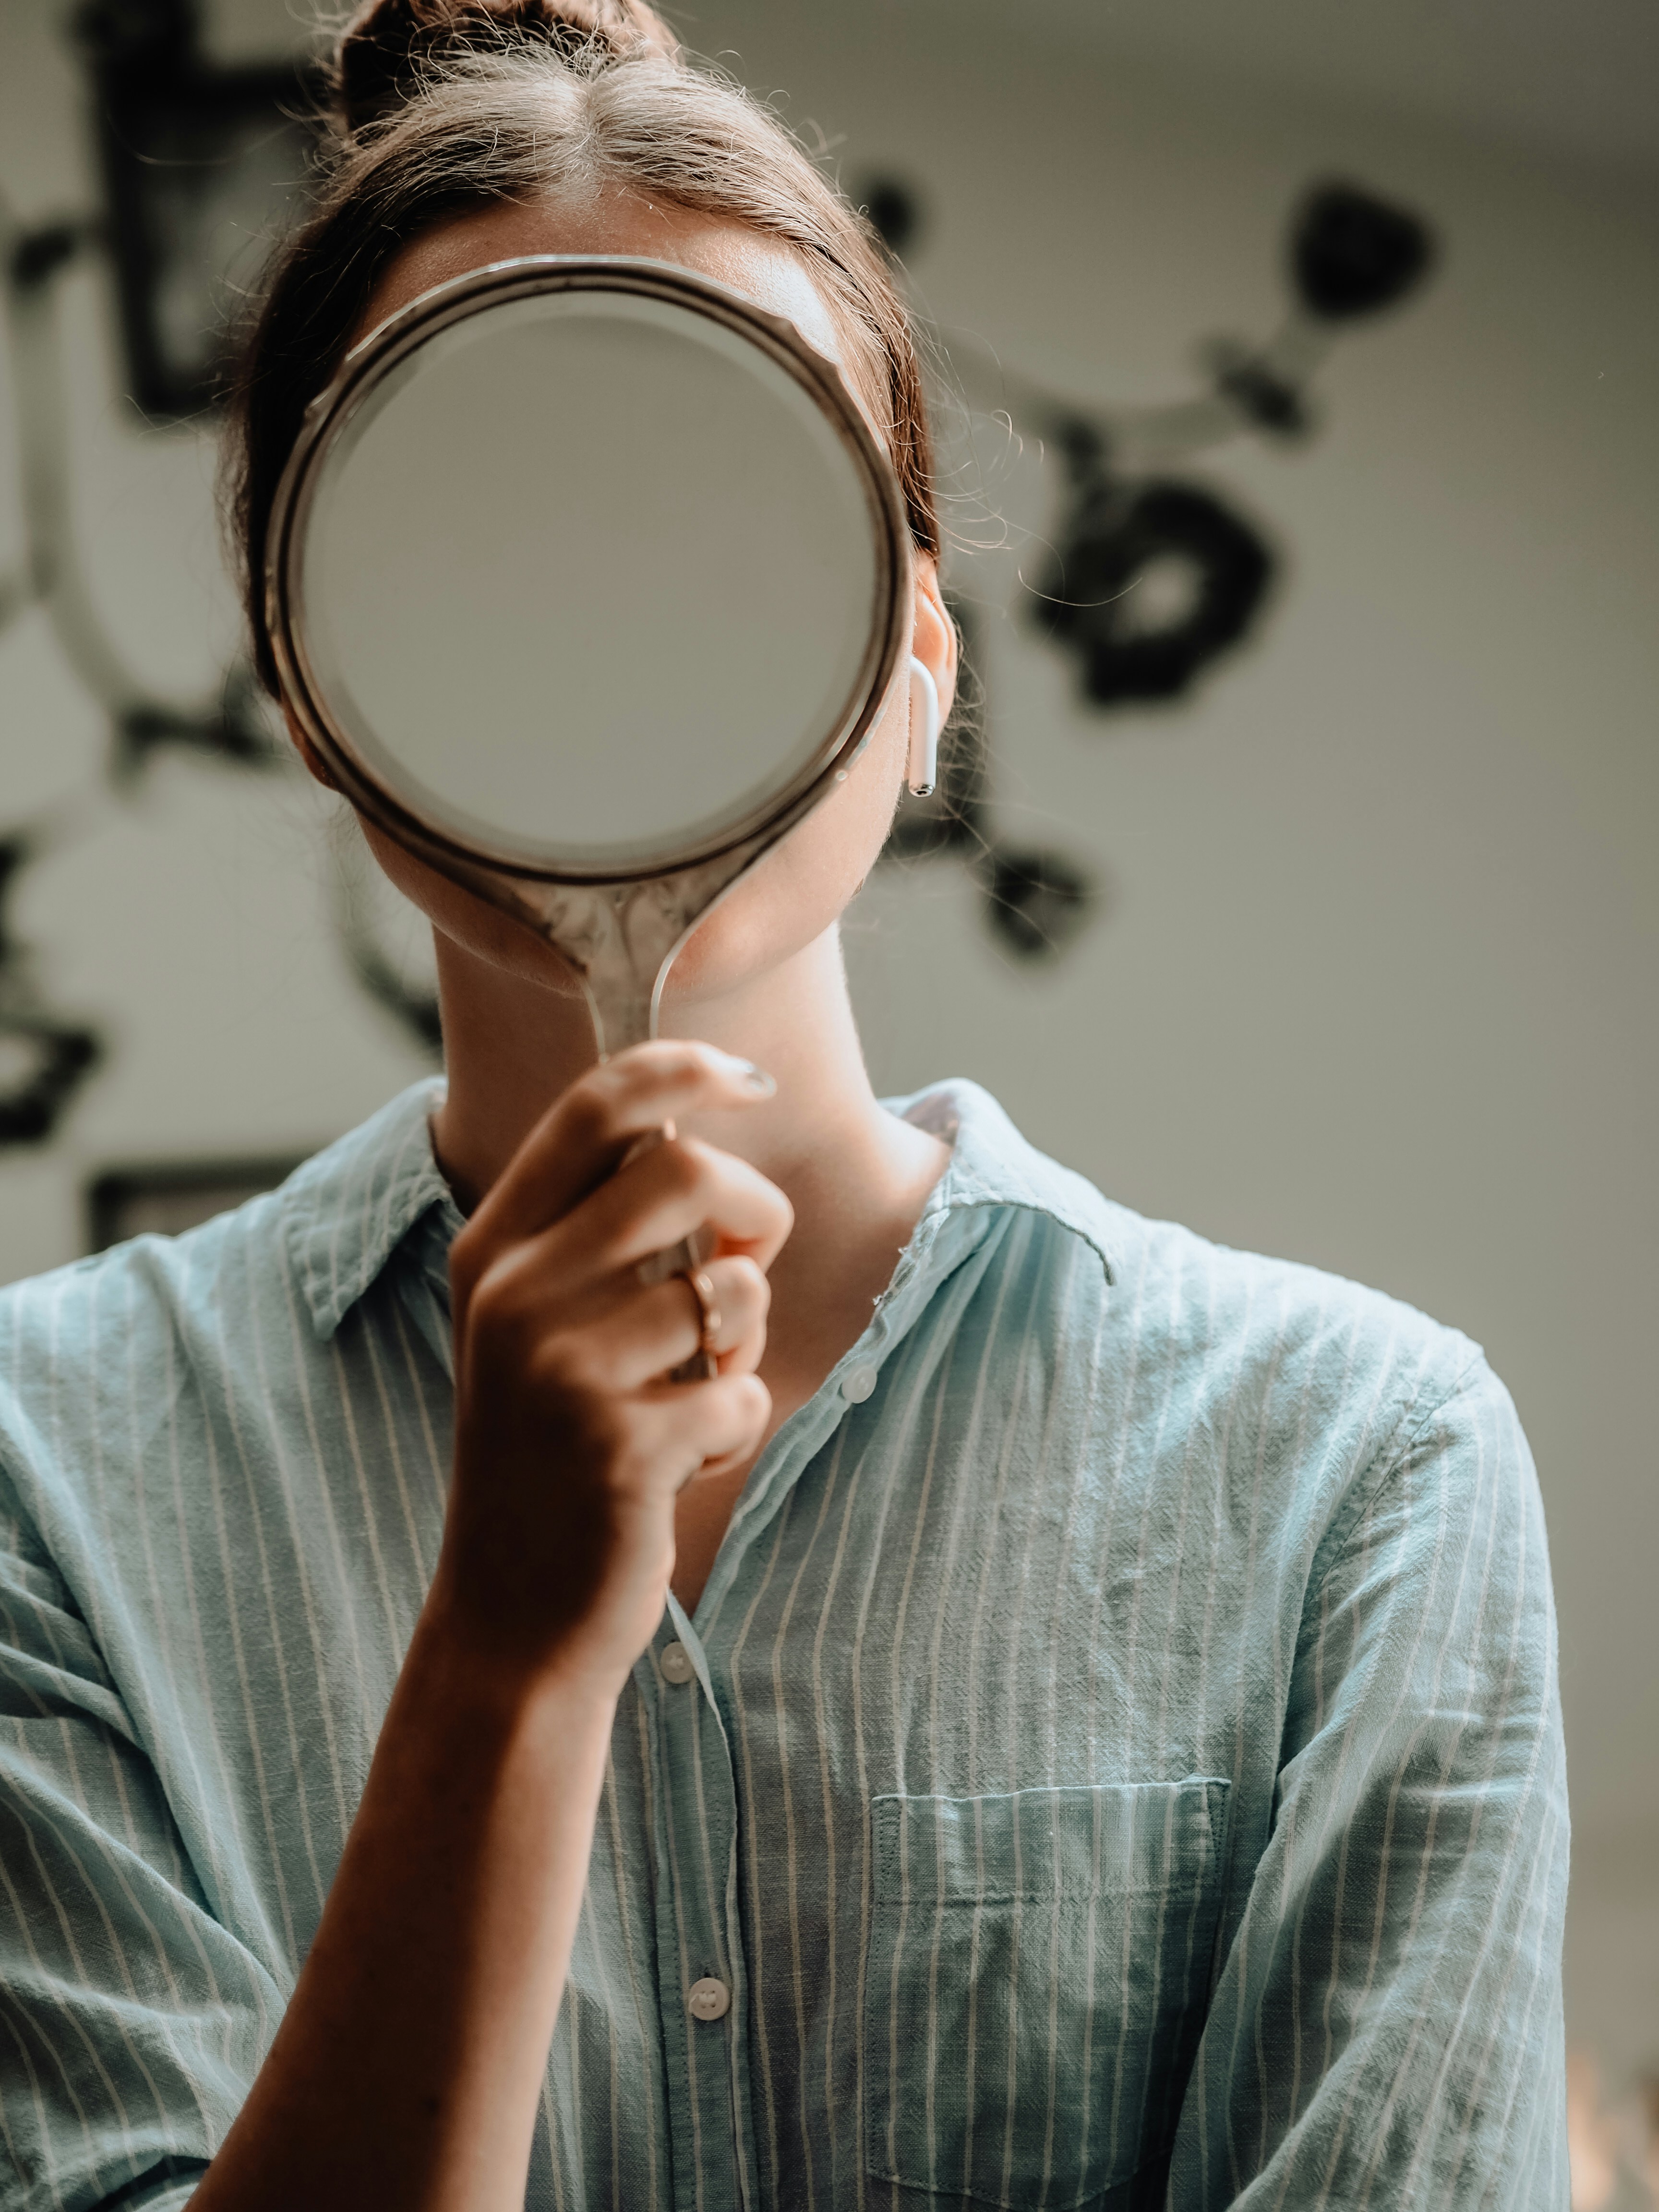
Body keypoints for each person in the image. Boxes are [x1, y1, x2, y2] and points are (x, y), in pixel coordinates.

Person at [0, 3, 1569, 2207]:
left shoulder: (1358, 1473)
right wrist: (503, 1670)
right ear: (313, 689)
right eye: (489, 518)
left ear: (922, 670)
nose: (621, 620)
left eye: (741, 504)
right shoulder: (40, 1476)